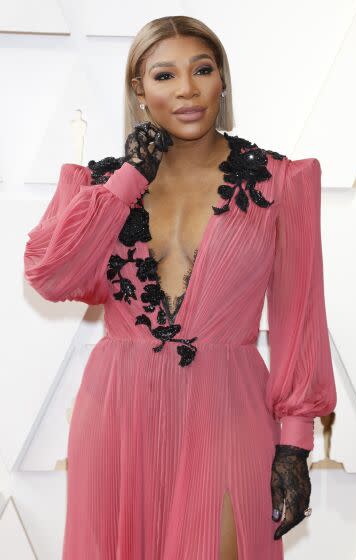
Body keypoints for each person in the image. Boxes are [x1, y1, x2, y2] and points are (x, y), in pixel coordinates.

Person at [23, 15, 337, 560]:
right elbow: (53, 275)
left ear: (222, 81)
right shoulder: (99, 185)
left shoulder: (281, 183)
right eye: (165, 75)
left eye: (202, 70)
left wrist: (295, 443)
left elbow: (299, 316)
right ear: (139, 91)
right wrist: (128, 177)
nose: (188, 89)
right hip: (117, 412)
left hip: (229, 407)